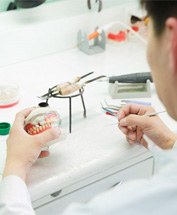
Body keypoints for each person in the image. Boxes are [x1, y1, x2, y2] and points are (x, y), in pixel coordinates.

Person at [1, 0, 177, 214]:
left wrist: (14, 168)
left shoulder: (125, 206)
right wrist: (168, 143)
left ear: (172, 44)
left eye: (147, 25)